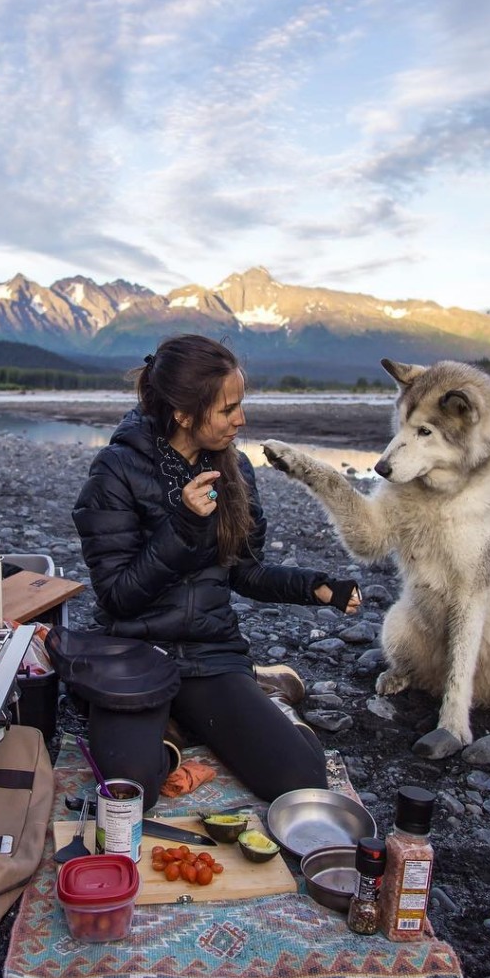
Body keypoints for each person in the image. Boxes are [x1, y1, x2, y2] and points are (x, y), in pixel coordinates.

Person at [72, 333, 361, 810]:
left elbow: (245, 573)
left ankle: (237, 700)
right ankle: (177, 718)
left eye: (240, 405)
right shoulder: (115, 473)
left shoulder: (236, 471)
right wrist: (184, 525)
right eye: (228, 410)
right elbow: (119, 597)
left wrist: (316, 587)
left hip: (209, 654)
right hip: (134, 653)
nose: (240, 420)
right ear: (183, 414)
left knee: (302, 779)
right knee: (130, 791)